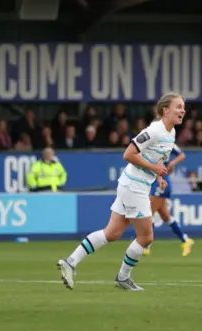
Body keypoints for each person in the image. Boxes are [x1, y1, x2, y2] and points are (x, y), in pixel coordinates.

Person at [57, 92, 185, 291]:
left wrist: (159, 176)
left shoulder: (171, 134)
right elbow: (128, 153)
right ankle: (123, 277)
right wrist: (154, 170)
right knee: (146, 237)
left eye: (183, 107)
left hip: (134, 185)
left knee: (112, 233)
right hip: (134, 186)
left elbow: (157, 158)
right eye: (178, 106)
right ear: (165, 110)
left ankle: (70, 262)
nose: (182, 110)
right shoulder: (154, 130)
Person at [143, 143, 194, 257]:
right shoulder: (151, 144)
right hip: (156, 182)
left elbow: (181, 155)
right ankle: (185, 239)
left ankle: (146, 245)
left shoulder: (168, 142)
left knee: (148, 213)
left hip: (161, 183)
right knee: (165, 216)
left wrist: (172, 163)